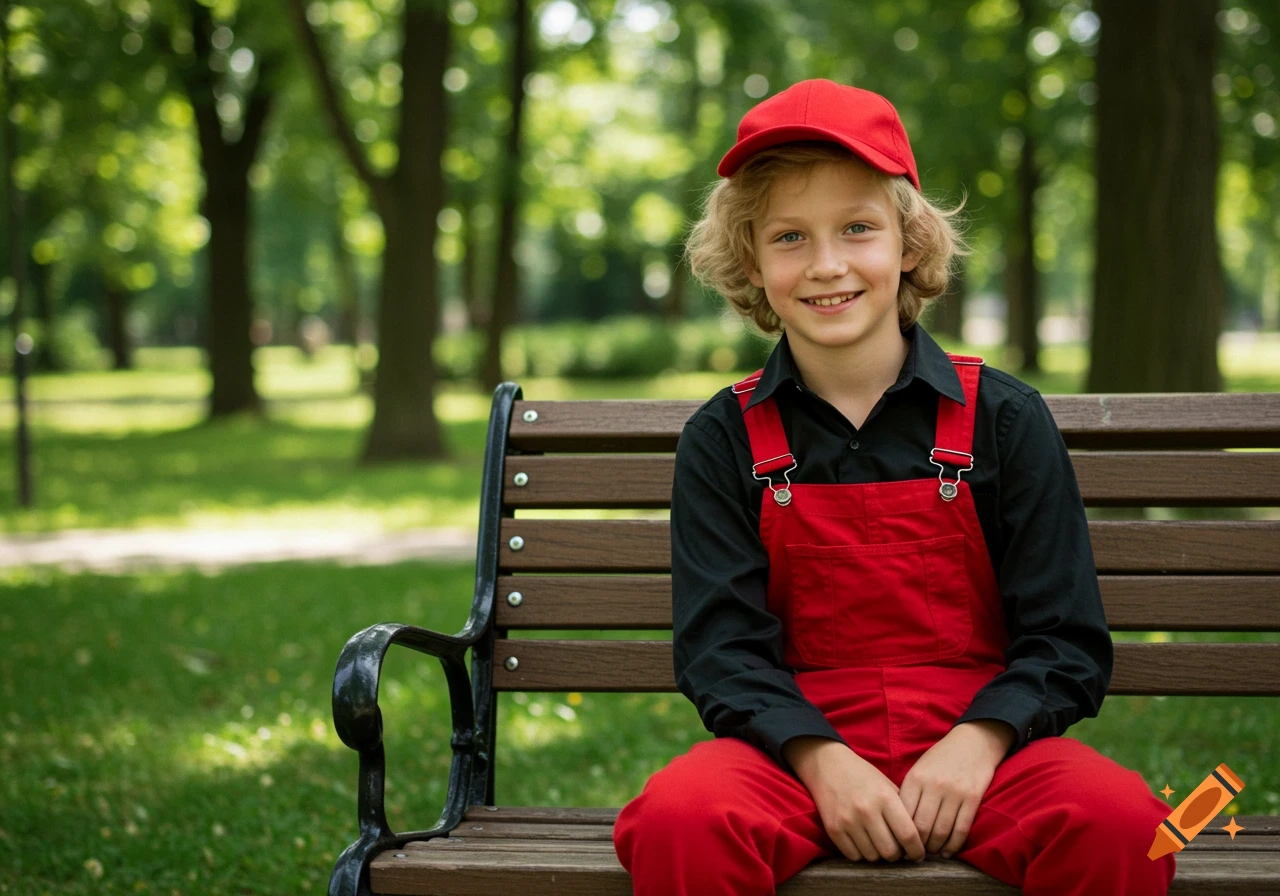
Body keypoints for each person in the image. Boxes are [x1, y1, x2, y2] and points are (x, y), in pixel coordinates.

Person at [612, 79, 1175, 895]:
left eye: (858, 228)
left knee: (1127, 824)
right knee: (682, 816)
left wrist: (981, 740)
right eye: (789, 237)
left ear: (909, 243)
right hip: (797, 753)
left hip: (980, 747)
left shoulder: (1004, 420)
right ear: (751, 261)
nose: (828, 264)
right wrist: (822, 759)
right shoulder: (724, 438)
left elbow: (1066, 639)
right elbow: (721, 652)